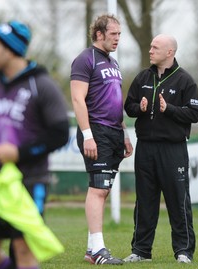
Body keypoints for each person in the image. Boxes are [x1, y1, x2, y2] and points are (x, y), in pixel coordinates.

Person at [0, 20, 69, 269]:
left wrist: (19, 153)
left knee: (23, 248)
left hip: (30, 180)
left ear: (10, 50)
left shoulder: (41, 85)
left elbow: (60, 133)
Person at [123, 34, 198, 264]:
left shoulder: (185, 81)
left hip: (173, 149)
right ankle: (141, 251)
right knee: (144, 201)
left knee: (178, 202)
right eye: (150, 46)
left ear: (170, 52)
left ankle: (184, 251)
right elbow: (129, 106)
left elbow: (195, 114)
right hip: (145, 148)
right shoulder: (142, 78)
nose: (150, 50)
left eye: (155, 47)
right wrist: (140, 107)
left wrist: (170, 110)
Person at [70, 14, 133, 265]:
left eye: (119, 34)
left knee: (103, 190)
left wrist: (125, 133)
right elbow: (77, 99)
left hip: (114, 132)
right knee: (97, 189)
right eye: (114, 34)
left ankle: (90, 248)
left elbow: (114, 102)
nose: (118, 38)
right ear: (99, 34)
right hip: (95, 131)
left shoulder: (113, 63)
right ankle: (98, 250)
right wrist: (88, 136)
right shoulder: (85, 60)